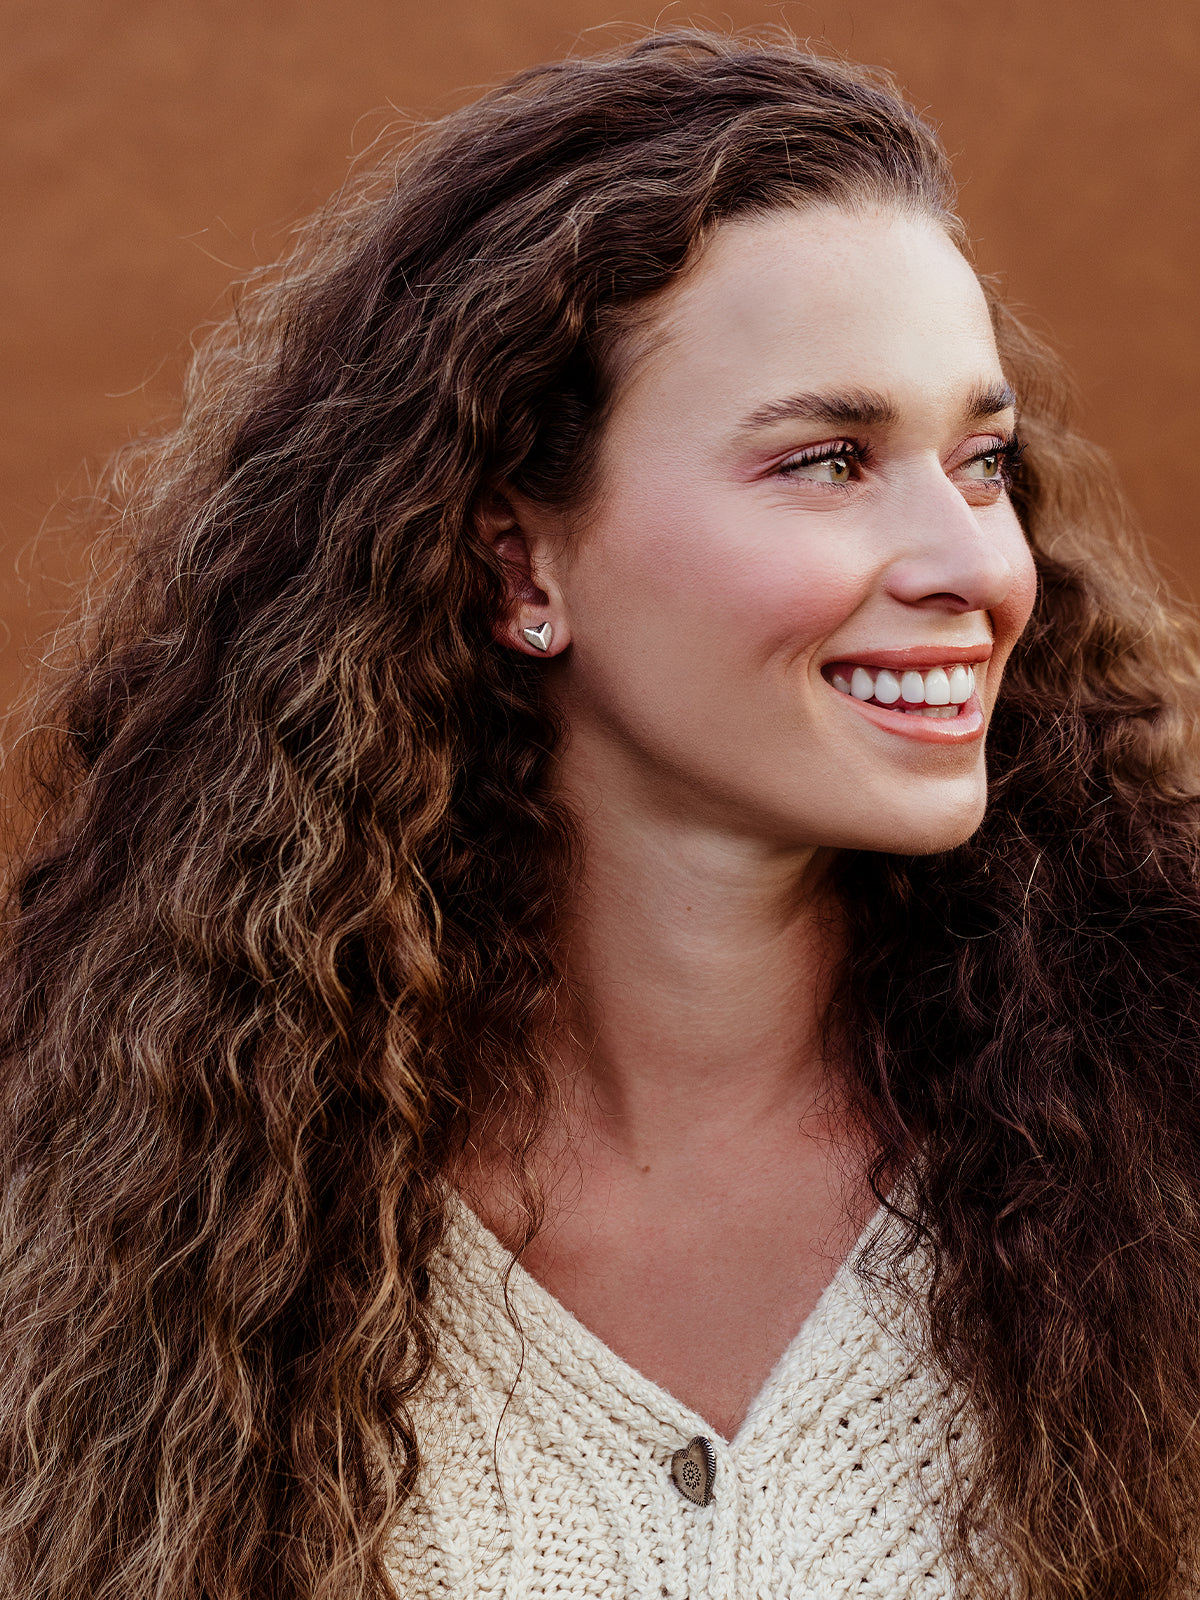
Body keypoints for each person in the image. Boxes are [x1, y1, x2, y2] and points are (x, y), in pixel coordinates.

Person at [1, 27, 1199, 1600]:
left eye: (981, 462)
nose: (975, 565)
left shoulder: (1158, 1134)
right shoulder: (146, 1216)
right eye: (830, 460)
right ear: (519, 561)